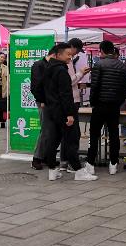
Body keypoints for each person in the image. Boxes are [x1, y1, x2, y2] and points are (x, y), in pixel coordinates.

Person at [42, 42, 97, 181]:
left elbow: (38, 88)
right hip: (63, 111)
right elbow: (66, 95)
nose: (70, 57)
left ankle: (52, 170)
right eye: (68, 54)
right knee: (71, 140)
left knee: (53, 140)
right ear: (58, 55)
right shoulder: (61, 70)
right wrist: (69, 114)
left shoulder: (47, 68)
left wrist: (45, 102)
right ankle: (78, 170)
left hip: (51, 110)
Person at [84, 40, 126, 176]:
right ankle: (113, 164)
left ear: (102, 50)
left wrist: (92, 102)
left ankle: (91, 163)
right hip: (114, 105)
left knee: (94, 134)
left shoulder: (99, 64)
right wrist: (119, 101)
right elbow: (125, 88)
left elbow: (95, 86)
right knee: (114, 134)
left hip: (99, 105)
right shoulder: (122, 66)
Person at [59, 38, 90, 171]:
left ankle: (65, 161)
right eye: (73, 52)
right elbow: (69, 82)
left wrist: (81, 75)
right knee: (72, 134)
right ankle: (71, 163)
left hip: (72, 100)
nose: (73, 55)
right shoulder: (64, 64)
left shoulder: (69, 62)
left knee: (69, 133)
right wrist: (80, 73)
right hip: (70, 101)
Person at [29, 46, 57, 171]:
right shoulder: (38, 65)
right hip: (43, 102)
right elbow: (36, 86)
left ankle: (46, 156)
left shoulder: (52, 66)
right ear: (54, 55)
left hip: (52, 102)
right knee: (45, 130)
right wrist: (41, 100)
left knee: (51, 130)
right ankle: (37, 158)